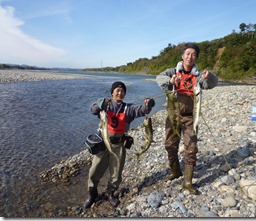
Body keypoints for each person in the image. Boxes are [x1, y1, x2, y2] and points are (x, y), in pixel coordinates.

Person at [156, 43, 218, 194]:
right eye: (187, 54)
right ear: (182, 56)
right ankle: (175, 171)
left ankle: (188, 182)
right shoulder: (172, 71)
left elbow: (212, 84)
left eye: (193, 54)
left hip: (191, 117)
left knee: (191, 149)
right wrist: (170, 81)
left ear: (196, 57)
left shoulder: (198, 75)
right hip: (173, 115)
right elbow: (159, 78)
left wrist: (209, 77)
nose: (190, 57)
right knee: (170, 145)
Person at [84, 81, 155, 208]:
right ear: (112, 93)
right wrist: (100, 103)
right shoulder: (106, 106)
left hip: (119, 145)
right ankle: (92, 194)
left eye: (122, 91)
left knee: (116, 174)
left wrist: (148, 104)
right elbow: (93, 109)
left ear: (125, 94)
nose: (119, 92)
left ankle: (110, 193)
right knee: (94, 171)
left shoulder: (128, 109)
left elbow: (142, 110)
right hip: (103, 144)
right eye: (117, 90)